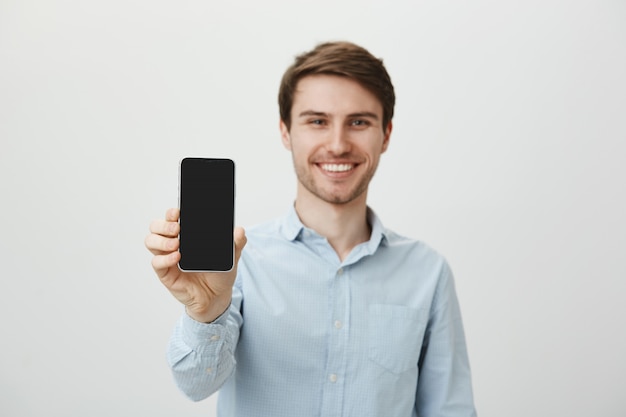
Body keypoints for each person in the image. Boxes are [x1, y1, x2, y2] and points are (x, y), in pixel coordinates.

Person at [145, 41, 477, 417]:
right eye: (317, 121)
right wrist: (206, 311)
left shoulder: (427, 272)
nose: (337, 144)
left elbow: (451, 410)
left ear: (386, 134)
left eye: (359, 122)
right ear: (286, 132)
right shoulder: (239, 262)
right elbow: (195, 385)